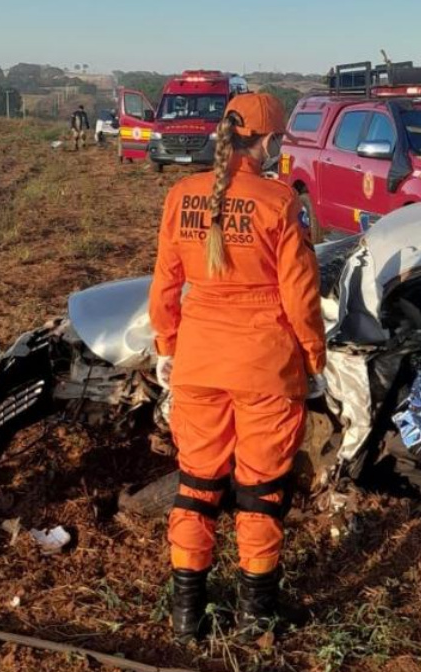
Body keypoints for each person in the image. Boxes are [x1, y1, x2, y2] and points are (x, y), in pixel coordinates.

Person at [148, 92, 326, 642]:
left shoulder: (181, 194)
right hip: (266, 368)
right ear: (267, 141)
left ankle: (186, 616)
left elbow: (165, 284)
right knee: (261, 492)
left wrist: (167, 346)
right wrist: (313, 357)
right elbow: (300, 294)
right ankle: (255, 617)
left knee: (196, 486)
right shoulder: (280, 200)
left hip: (197, 362)